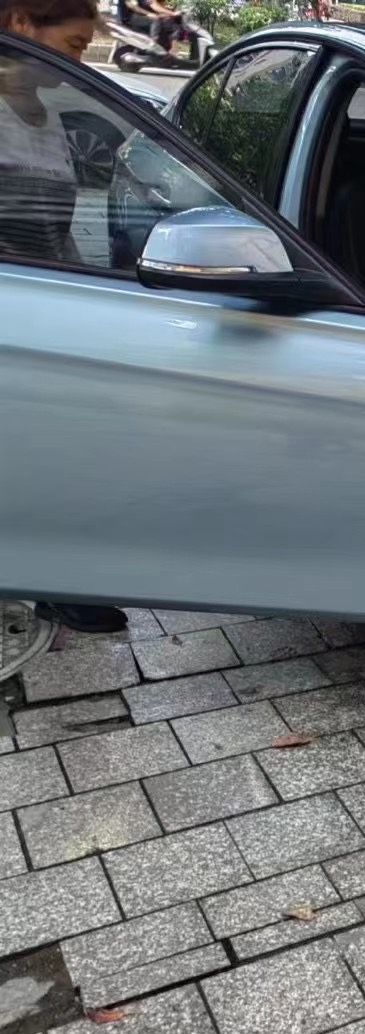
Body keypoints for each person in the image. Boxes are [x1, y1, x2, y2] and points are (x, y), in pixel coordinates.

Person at [1, 0, 132, 634]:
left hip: (42, 314)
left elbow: (56, 230)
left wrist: (95, 294)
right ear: (23, 25)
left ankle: (52, 582)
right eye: (75, 44)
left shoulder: (45, 118)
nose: (79, 60)